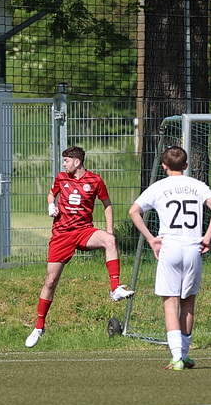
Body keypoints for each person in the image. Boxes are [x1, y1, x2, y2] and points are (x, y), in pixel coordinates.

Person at [24, 145, 134, 348]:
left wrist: (109, 230)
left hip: (84, 231)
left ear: (77, 162)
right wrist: (51, 205)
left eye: (66, 161)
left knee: (110, 241)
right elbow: (51, 194)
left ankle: (115, 289)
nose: (64, 164)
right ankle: (39, 327)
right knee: (50, 281)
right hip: (61, 235)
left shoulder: (95, 180)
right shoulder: (61, 178)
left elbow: (107, 205)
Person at [128, 147, 211, 370]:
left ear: (164, 166)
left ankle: (176, 357)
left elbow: (133, 211)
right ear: (186, 165)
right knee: (187, 302)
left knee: (170, 303)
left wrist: (151, 239)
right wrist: (207, 237)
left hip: (169, 247)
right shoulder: (197, 185)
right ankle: (185, 354)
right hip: (192, 248)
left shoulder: (158, 186)